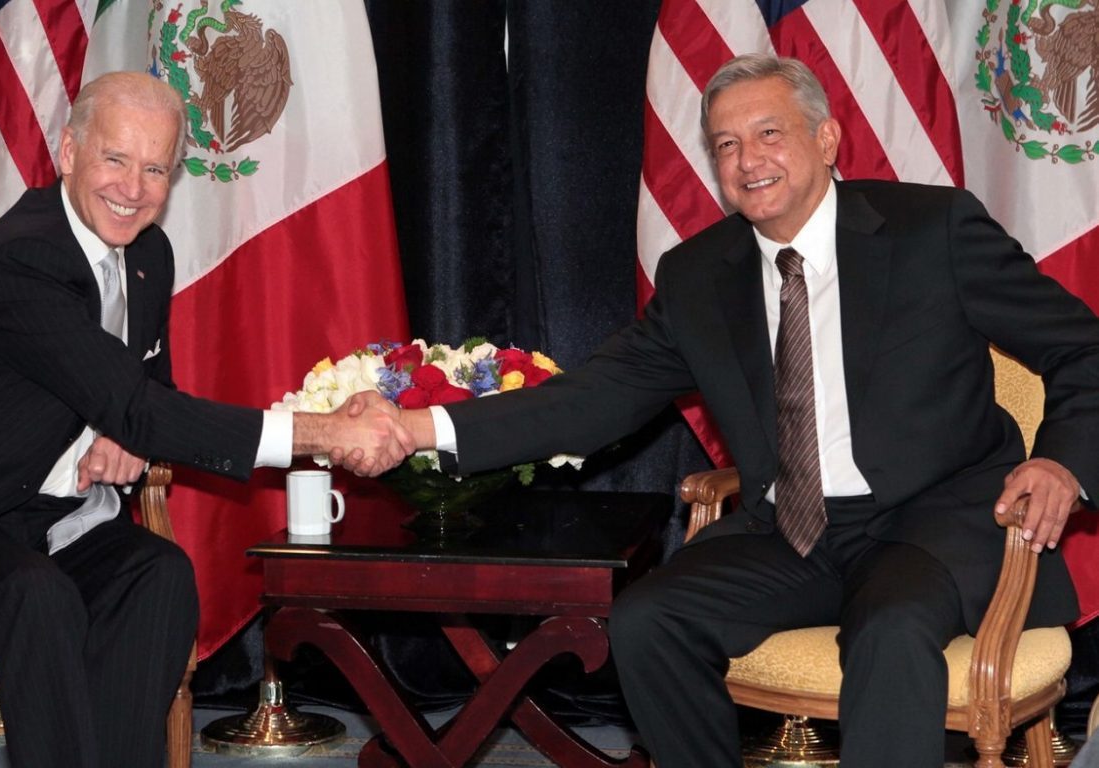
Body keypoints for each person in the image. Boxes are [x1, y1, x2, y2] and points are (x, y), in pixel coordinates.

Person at [379, 54, 1099, 766]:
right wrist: (419, 428)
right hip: (792, 531)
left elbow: (1083, 348)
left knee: (891, 629)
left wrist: (1063, 460)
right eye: (726, 144)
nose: (747, 159)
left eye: (769, 134)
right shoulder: (698, 274)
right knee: (648, 618)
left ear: (825, 139)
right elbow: (592, 400)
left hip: (935, 521)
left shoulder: (932, 231)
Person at [0, 71, 410, 768]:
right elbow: (138, 404)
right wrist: (322, 434)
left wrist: (127, 441)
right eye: (115, 159)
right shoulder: (19, 258)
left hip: (52, 520)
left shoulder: (148, 254)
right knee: (36, 596)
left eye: (155, 169)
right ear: (68, 151)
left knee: (160, 575)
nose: (133, 188)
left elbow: (145, 391)